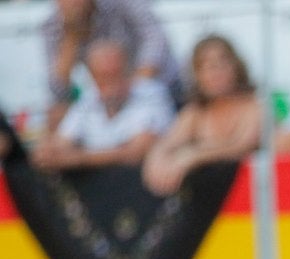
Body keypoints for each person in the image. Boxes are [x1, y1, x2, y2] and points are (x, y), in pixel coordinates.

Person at [141, 35, 260, 197]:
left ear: (236, 66)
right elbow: (166, 144)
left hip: (248, 200)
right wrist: (156, 160)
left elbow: (243, 145)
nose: (215, 72)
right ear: (197, 75)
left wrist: (194, 156)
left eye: (221, 63)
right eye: (206, 66)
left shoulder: (255, 106)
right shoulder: (195, 112)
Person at [31, 38, 172, 169]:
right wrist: (48, 151)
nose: (111, 85)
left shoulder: (150, 92)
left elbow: (139, 150)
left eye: (115, 74)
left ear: (129, 72)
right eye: (103, 77)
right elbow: (62, 141)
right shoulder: (89, 97)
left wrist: (79, 158)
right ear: (92, 76)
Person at [41, 0, 182, 130]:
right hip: (109, 101)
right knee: (56, 116)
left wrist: (132, 88)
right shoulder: (53, 26)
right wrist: (71, 37)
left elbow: (156, 40)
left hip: (156, 87)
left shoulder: (122, 4)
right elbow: (58, 90)